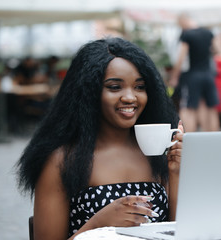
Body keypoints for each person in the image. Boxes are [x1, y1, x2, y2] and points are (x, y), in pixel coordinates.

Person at [15, 37, 184, 240]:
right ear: (89, 92)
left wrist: (175, 173)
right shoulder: (62, 161)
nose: (130, 97)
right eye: (114, 87)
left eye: (139, 87)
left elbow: (179, 232)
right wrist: (99, 223)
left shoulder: (156, 153)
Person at [169, 13, 219, 132]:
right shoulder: (208, 33)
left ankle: (188, 139)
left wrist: (174, 77)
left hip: (192, 76)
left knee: (188, 109)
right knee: (211, 108)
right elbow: (216, 50)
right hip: (208, 75)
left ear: (183, 21)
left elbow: (181, 58)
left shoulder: (187, 35)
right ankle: (213, 139)